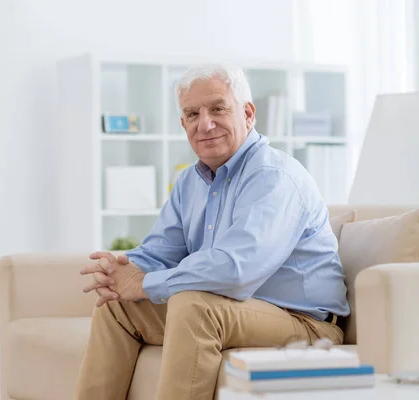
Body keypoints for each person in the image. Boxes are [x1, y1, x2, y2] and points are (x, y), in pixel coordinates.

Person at [76, 64, 350, 400]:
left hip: (303, 322)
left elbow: (236, 270)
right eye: (192, 114)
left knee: (194, 304)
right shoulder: (190, 182)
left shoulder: (275, 177)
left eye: (218, 108)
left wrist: (144, 283)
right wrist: (122, 269)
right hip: (235, 310)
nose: (205, 124)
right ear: (183, 124)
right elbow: (160, 251)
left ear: (248, 113)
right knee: (115, 306)